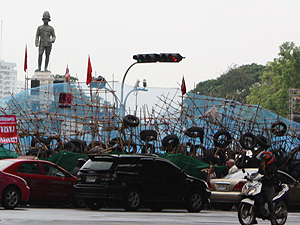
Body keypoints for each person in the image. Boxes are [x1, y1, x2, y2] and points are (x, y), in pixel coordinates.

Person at [258, 151, 279, 225]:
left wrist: (263, 170)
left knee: (269, 199)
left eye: (264, 160)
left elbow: (269, 178)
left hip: (272, 185)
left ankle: (273, 217)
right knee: (257, 197)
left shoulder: (273, 167)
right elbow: (258, 175)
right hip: (263, 185)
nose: (262, 162)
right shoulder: (262, 166)